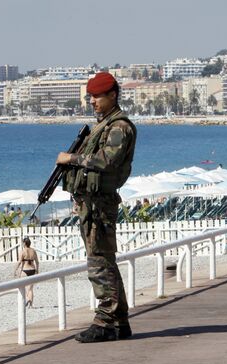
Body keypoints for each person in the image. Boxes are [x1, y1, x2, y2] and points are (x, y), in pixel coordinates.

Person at [58, 72, 136, 343]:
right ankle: (119, 321)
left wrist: (72, 158)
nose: (92, 101)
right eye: (90, 96)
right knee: (105, 261)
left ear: (112, 95)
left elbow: (108, 160)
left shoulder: (119, 126)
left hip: (99, 204)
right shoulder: (103, 125)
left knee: (99, 263)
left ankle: (105, 321)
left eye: (97, 96)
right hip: (92, 202)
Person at [14, 237, 39, 307]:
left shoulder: (22, 251)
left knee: (24, 287)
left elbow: (19, 262)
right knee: (30, 288)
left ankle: (28, 299)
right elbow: (37, 262)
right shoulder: (33, 251)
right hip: (33, 270)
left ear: (24, 243)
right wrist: (37, 270)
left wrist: (15, 270)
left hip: (25, 270)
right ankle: (31, 304)